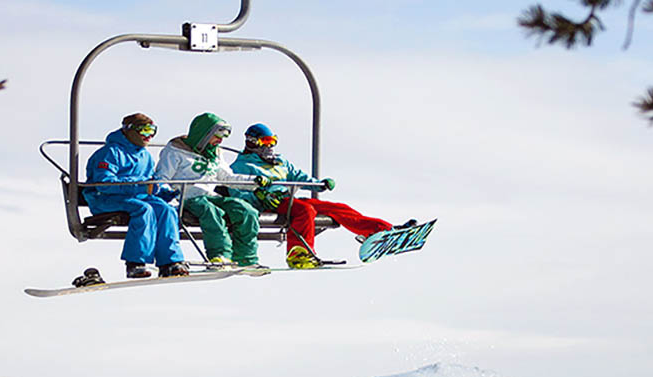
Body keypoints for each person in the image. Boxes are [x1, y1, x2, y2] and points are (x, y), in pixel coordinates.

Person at [219, 123, 415, 269]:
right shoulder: (241, 165)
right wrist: (259, 195)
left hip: (288, 200)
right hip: (271, 203)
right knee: (305, 210)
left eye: (273, 141)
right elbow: (238, 191)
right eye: (266, 142)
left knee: (336, 208)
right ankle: (298, 254)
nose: (270, 147)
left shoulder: (280, 163)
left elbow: (299, 177)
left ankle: (381, 230)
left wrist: (320, 184)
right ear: (253, 142)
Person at [154, 113, 267, 268]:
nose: (219, 141)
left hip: (208, 195)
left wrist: (254, 181)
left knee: (245, 210)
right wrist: (166, 193)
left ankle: (246, 258)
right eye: (217, 136)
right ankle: (219, 255)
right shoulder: (176, 151)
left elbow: (227, 178)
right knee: (211, 212)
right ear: (204, 134)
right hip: (186, 196)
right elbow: (162, 177)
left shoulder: (215, 153)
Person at [84, 113, 188, 278]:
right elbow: (104, 183)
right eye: (144, 131)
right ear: (130, 130)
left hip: (134, 197)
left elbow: (148, 182)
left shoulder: (144, 155)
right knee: (144, 210)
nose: (149, 136)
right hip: (104, 199)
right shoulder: (110, 152)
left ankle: (170, 262)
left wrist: (165, 192)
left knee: (166, 210)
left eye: (153, 131)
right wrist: (140, 186)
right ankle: (135, 263)